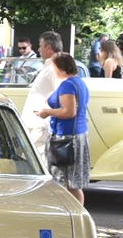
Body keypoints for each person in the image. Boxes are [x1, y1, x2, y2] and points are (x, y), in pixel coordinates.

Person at [36, 52, 91, 203]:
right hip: (76, 136)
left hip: (65, 138)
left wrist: (46, 112)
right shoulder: (79, 82)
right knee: (72, 182)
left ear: (59, 67)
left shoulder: (67, 84)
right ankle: (78, 214)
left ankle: (71, 216)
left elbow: (68, 111)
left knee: (63, 182)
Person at [20, 30, 64, 165]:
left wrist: (47, 114)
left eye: (40, 45)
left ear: (49, 48)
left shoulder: (54, 68)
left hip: (41, 125)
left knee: (39, 163)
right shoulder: (51, 66)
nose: (39, 49)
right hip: (38, 123)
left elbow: (60, 94)